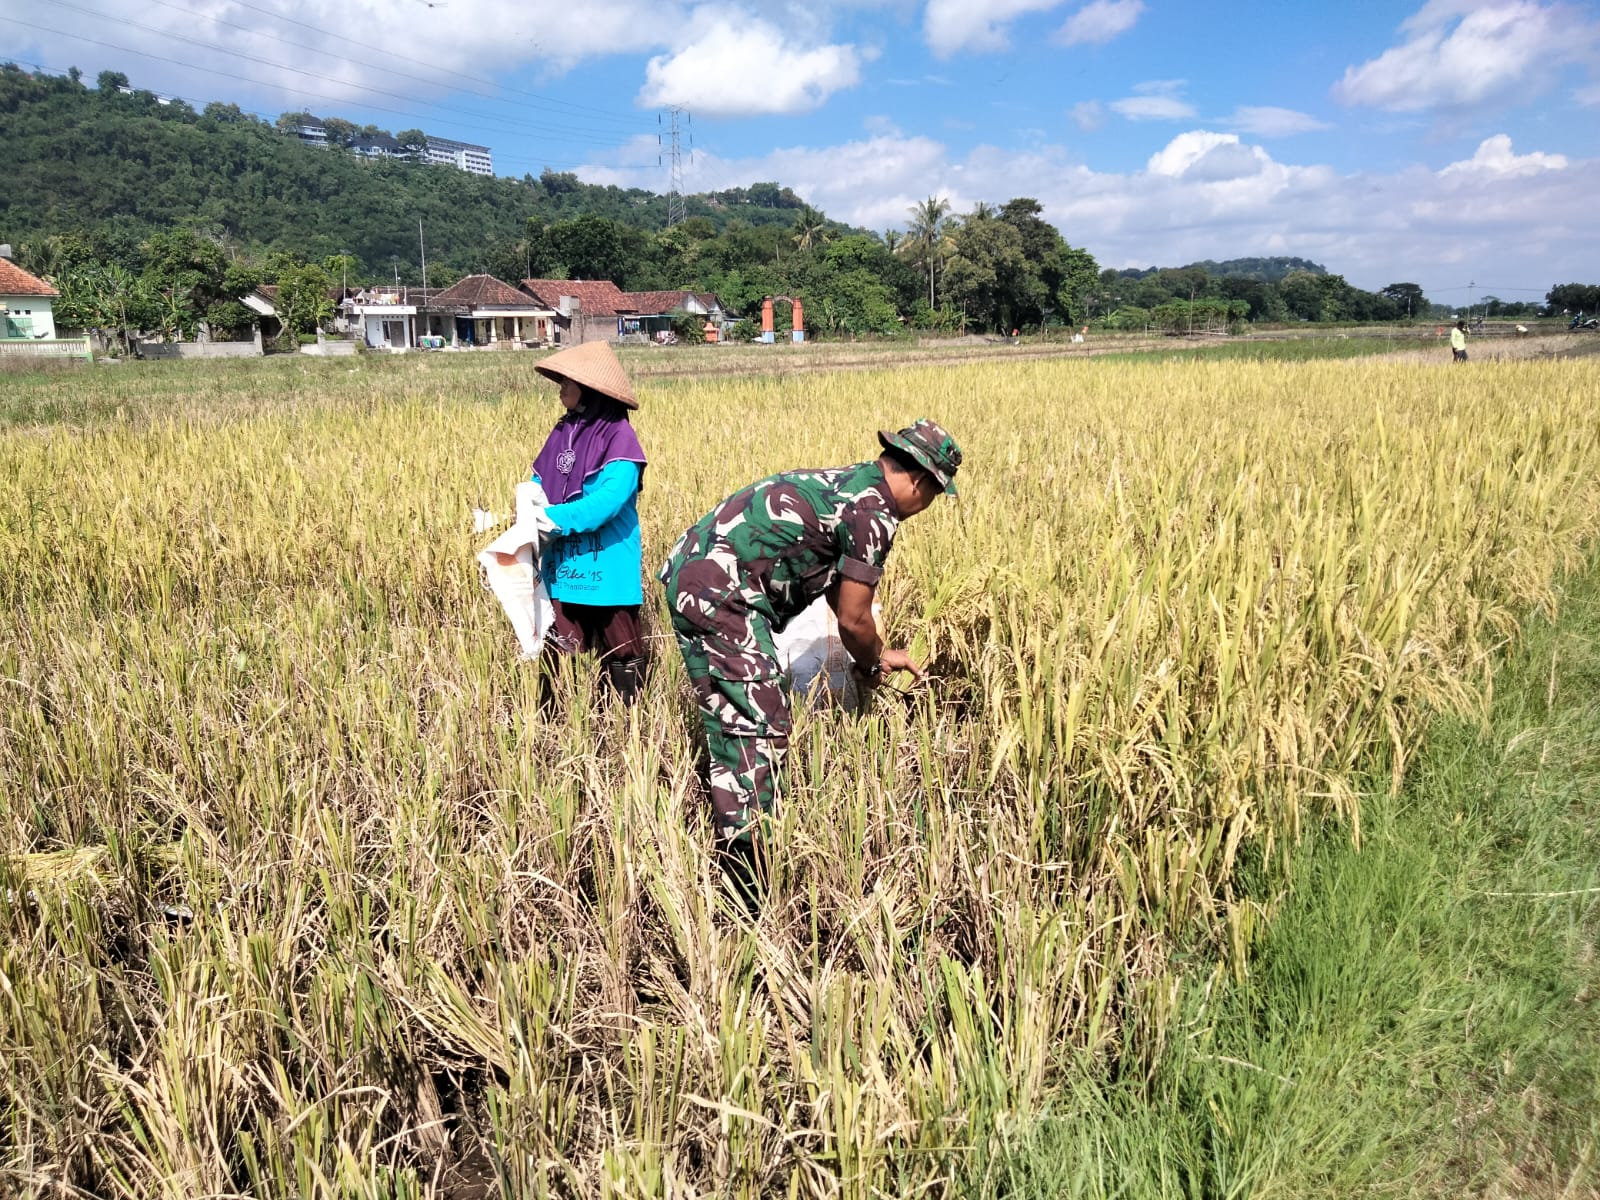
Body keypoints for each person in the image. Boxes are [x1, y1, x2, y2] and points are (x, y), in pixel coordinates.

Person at [657, 419, 962, 900]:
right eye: (932, 498)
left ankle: (735, 843)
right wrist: (872, 661)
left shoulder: (853, 484)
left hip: (695, 571)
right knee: (760, 722)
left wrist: (877, 658)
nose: (924, 509)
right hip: (721, 591)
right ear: (923, 482)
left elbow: (837, 587)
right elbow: (854, 618)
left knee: (734, 712)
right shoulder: (875, 512)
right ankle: (745, 880)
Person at [528, 341, 649, 703]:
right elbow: (540, 482)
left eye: (568, 381)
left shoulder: (620, 438)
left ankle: (629, 726)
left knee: (622, 653)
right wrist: (528, 506)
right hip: (563, 568)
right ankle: (556, 728)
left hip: (607, 569)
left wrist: (548, 517)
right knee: (559, 653)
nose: (561, 387)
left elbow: (608, 503)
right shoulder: (561, 432)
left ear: (590, 388)